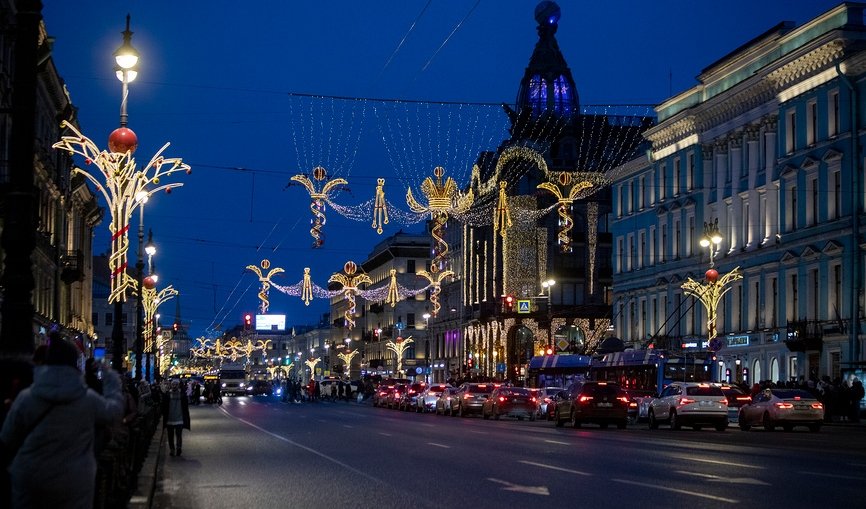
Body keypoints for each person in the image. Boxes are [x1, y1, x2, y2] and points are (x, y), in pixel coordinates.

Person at [0, 336, 123, 508]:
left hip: (31, 479)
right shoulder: (87, 399)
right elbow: (114, 412)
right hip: (74, 481)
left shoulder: (27, 398)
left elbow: (7, 438)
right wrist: (111, 379)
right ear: (74, 365)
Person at [161, 379, 190, 457]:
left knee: (179, 435)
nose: (174, 386)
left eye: (176, 385)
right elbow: (163, 406)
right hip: (170, 419)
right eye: (173, 384)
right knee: (170, 436)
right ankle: (172, 449)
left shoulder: (182, 395)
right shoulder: (167, 394)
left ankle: (178, 448)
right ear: (171, 385)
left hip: (179, 419)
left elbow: (186, 405)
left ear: (178, 385)